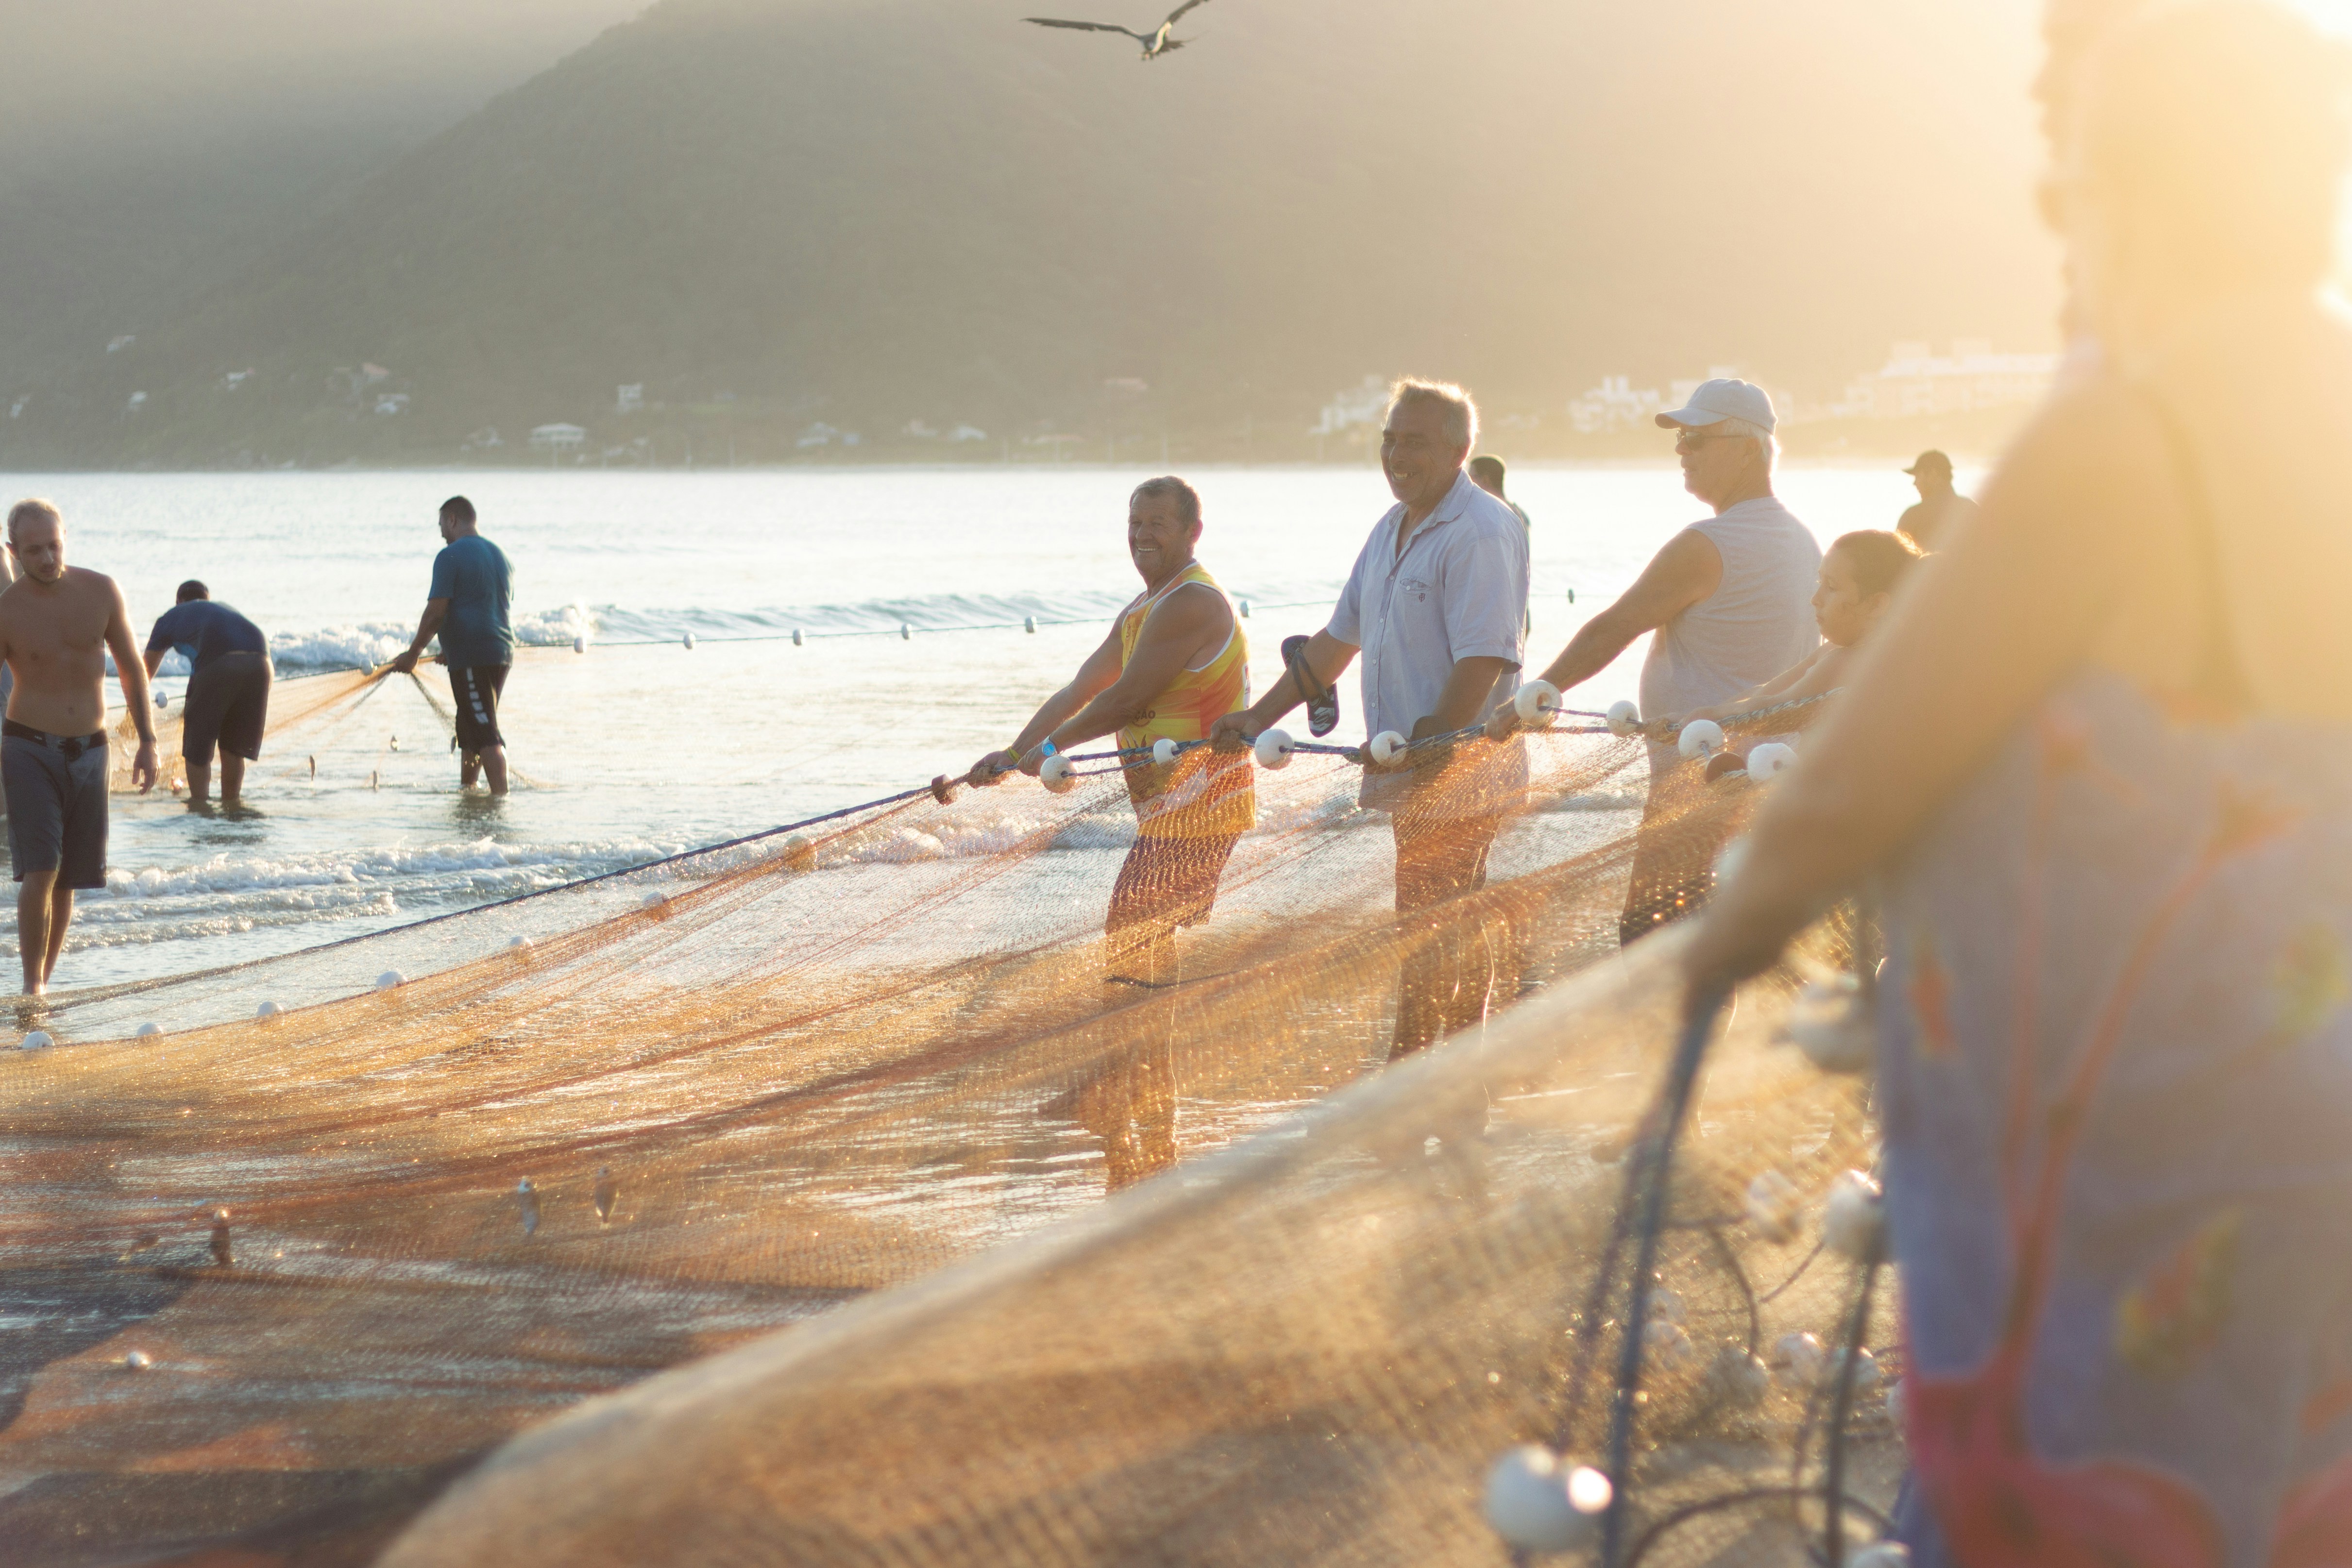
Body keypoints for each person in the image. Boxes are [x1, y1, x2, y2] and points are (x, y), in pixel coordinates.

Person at [1681, 5, 2352, 1561]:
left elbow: (1852, 787)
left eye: (2067, 190)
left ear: (2128, 194)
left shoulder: (2126, 441)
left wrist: (1730, 932)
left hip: (2134, 1149)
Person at [1212, 379, 1530, 1065]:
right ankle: (1447, 1077)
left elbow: (1485, 657)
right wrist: (1255, 717)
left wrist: (1438, 737)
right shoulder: (1389, 529)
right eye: (1388, 439)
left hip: (1458, 767)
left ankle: (1413, 1074)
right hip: (1409, 767)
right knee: (1438, 918)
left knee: (1426, 923)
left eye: (1412, 441)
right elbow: (1332, 644)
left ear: (1457, 449)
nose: (1394, 454)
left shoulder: (1479, 530)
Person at [966, 476, 1253, 1189]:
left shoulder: (1191, 601)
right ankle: (1144, 1097)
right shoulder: (1142, 608)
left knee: (1131, 926)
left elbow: (1128, 699)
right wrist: (1014, 752)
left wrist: (1046, 753)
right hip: (1166, 804)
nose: (1141, 534)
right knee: (1144, 939)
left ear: (1191, 531)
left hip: (1204, 796)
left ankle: (1119, 1087)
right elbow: (1083, 688)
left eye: (1157, 521)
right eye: (1134, 522)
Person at [1492, 377, 1819, 943]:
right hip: (1768, 785)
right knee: (1715, 952)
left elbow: (1611, 629)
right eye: (1680, 438)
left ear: (1747, 449)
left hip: (1697, 792)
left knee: (1649, 941)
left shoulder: (1708, 543)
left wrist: (1533, 696)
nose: (1680, 451)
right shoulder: (1804, 540)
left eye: (1696, 438)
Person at [0, 499, 157, 996]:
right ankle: (31, 988)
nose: (48, 558)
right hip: (27, 747)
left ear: (65, 536)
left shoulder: (101, 590)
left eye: (55, 545)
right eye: (34, 551)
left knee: (68, 876)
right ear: (13, 552)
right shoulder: (7, 609)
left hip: (92, 749)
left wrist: (149, 740)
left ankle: (45, 980)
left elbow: (132, 669)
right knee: (41, 866)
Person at [1660, 530, 1922, 731]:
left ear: (1876, 604)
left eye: (1831, 587)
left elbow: (1779, 709)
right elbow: (1767, 692)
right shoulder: (1834, 650)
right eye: (1820, 582)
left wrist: (1712, 718)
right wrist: (1699, 715)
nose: (1815, 599)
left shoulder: (1851, 662)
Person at [389, 496, 514, 795]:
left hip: (475, 655)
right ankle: (468, 793)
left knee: (485, 732)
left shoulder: (450, 556)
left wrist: (413, 654)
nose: (442, 533)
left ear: (453, 520)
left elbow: (436, 613)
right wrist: (453, 648)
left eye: (442, 525)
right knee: (470, 729)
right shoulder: (501, 555)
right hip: (500, 652)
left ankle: (500, 803)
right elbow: (487, 605)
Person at [143, 581, 270, 809]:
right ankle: (232, 805)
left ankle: (200, 805)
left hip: (220, 663)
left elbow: (144, 674)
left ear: (178, 602)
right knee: (233, 749)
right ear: (207, 600)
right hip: (262, 662)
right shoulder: (224, 610)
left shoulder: (171, 617)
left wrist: (132, 714)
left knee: (197, 749)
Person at [1895, 449, 1980, 552]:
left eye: (1918, 476)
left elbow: (1897, 557)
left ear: (1933, 474)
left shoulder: (1914, 516)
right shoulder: (1972, 509)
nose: (1915, 483)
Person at [1469, 455, 1533, 536]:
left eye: (1471, 477)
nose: (1469, 483)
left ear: (1486, 480)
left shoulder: (1492, 514)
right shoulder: (1520, 514)